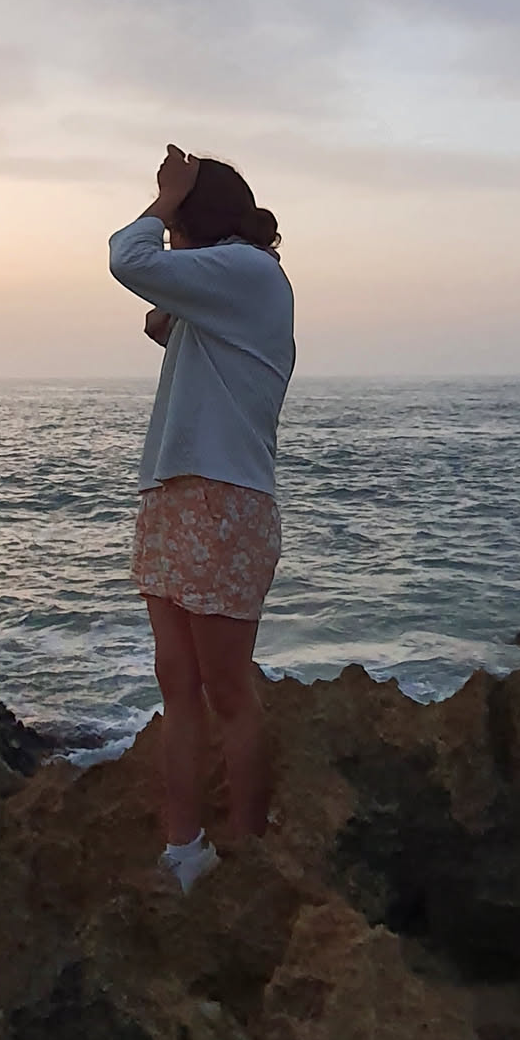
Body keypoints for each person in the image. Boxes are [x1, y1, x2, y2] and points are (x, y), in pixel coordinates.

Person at [109, 145, 296, 888]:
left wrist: (164, 198)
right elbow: (160, 314)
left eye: (178, 221)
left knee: (226, 690)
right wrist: (170, 308)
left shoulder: (251, 271)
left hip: (223, 500)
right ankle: (183, 849)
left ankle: (249, 852)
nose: (170, 234)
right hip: (177, 495)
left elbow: (128, 258)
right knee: (179, 686)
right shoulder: (229, 287)